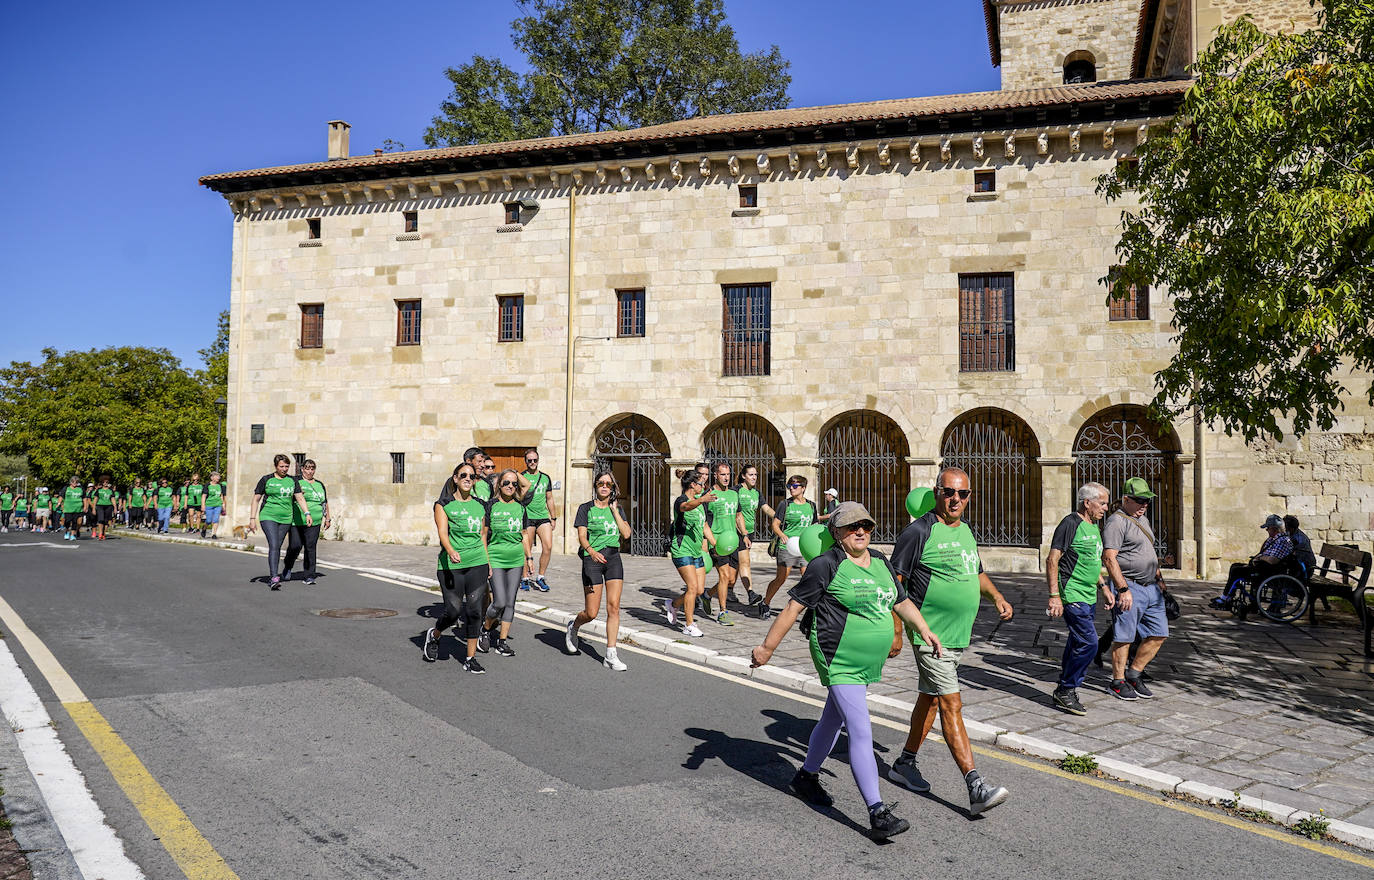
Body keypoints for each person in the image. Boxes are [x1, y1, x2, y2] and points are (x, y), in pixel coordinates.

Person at [751, 501, 944, 841]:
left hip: (866, 660)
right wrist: (767, 649)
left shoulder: (881, 561)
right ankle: (877, 811)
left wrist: (924, 629)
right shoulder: (826, 564)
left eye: (866, 526)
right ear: (836, 532)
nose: (860, 532)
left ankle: (806, 777)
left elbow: (900, 601)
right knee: (859, 728)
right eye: (852, 527)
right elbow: (793, 607)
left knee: (833, 718)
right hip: (836, 655)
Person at [887, 466, 1013, 816]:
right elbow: (894, 581)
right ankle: (975, 786)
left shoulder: (967, 532)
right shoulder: (919, 531)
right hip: (931, 635)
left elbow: (976, 572)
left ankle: (904, 764)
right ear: (937, 492)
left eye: (963, 494)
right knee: (951, 704)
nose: (956, 499)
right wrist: (898, 630)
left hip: (958, 636)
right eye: (949, 492)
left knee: (929, 699)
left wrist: (997, 597)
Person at [1102, 477, 1170, 701]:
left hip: (1151, 587)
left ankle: (1134, 673)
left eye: (1147, 501)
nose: (1144, 505)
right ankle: (1117, 681)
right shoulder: (1116, 522)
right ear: (1126, 499)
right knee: (1124, 636)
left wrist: (1160, 581)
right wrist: (1122, 590)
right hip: (1130, 585)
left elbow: (1147, 552)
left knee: (1159, 633)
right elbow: (1110, 559)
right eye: (1140, 500)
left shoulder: (1143, 519)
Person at [1047, 483, 1110, 716]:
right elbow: (1052, 560)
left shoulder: (1093, 526)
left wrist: (1104, 587)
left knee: (1077, 640)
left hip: (1089, 594)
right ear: (1087, 502)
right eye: (1101, 503)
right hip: (1071, 593)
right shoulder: (1070, 524)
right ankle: (1067, 689)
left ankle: (1064, 688)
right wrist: (1054, 596)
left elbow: (1092, 563)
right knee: (1090, 643)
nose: (1105, 508)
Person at [422, 463, 492, 673]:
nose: (468, 478)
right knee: (453, 611)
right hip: (450, 565)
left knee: (474, 610)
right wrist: (451, 550)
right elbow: (442, 532)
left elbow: (482, 536)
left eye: (471, 476)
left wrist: (487, 561)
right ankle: (434, 635)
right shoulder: (443, 504)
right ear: (455, 478)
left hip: (477, 562)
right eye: (463, 475)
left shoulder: (481, 505)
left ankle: (470, 658)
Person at [566, 470, 633, 670]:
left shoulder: (618, 509)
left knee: (614, 607)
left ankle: (611, 654)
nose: (604, 486)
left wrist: (614, 511)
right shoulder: (586, 509)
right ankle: (574, 626)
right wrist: (591, 551)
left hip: (613, 558)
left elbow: (627, 534)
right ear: (595, 486)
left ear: (613, 488)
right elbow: (582, 536)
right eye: (601, 483)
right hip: (592, 559)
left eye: (608, 484)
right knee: (592, 612)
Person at [246, 455, 311, 590]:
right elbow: (256, 499)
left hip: (286, 518)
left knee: (277, 546)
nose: (284, 469)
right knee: (274, 544)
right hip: (268, 516)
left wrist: (307, 513)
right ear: (276, 466)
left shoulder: (292, 480)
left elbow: (299, 498)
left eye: (287, 466)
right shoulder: (266, 479)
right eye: (281, 466)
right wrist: (252, 519)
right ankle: (274, 577)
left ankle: (274, 574)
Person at [479, 469, 525, 657]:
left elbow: (524, 535)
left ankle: (502, 641)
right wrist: (486, 560)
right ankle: (486, 628)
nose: (510, 487)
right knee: (499, 601)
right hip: (496, 557)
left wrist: (529, 559)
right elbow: (483, 534)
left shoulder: (521, 507)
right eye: (506, 483)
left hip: (516, 558)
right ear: (499, 485)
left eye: (514, 484)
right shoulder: (490, 505)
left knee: (511, 602)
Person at [665, 469, 716, 638]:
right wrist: (702, 499)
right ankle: (688, 624)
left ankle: (673, 604)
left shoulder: (700, 504)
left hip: (696, 552)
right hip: (681, 550)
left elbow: (703, 526)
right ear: (693, 485)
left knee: (699, 590)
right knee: (692, 587)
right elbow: (685, 507)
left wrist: (715, 543)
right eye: (702, 483)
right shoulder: (682, 500)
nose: (704, 486)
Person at [758, 475, 818, 617]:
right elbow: (775, 525)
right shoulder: (785, 504)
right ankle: (765, 603)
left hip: (804, 548)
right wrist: (782, 535)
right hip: (787, 547)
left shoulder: (811, 505)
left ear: (803, 488)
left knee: (807, 578)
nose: (791, 488)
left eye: (795, 486)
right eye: (789, 486)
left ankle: (807, 608)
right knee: (781, 578)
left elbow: (814, 525)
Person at [1212, 514, 1293, 607]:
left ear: (1274, 529)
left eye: (1268, 528)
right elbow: (1264, 551)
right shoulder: (1275, 539)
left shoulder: (1282, 541)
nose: (1266, 530)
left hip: (1269, 571)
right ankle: (1228, 596)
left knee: (1236, 571)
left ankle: (1225, 598)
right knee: (1235, 565)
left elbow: (1273, 560)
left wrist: (1260, 558)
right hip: (1264, 567)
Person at [703, 461, 745, 625]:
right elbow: (703, 521)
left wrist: (745, 534)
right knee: (724, 575)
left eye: (728, 474)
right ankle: (723, 612)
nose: (726, 478)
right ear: (715, 475)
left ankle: (707, 595)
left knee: (731, 579)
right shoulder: (709, 494)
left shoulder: (734, 494)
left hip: (733, 540)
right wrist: (706, 543)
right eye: (722, 474)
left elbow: (738, 515)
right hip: (717, 541)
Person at [283, 460, 330, 584]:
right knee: (295, 546)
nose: (310, 471)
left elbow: (324, 502)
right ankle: (288, 566)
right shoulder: (295, 481)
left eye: (312, 469)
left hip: (315, 521)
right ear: (302, 469)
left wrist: (327, 518)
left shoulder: (320, 484)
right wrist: (295, 495)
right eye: (307, 469)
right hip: (297, 521)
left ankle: (309, 575)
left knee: (310, 547)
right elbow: (287, 497)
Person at [518, 449, 557, 592]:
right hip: (527, 517)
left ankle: (541, 576)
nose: (532, 463)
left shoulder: (545, 477)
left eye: (535, 460)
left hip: (542, 517)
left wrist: (553, 517)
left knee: (548, 546)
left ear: (538, 460)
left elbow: (550, 498)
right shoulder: (521, 477)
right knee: (526, 549)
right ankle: (524, 578)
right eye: (529, 460)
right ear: (526, 461)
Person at [735, 465, 763, 607]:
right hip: (738, 532)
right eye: (751, 475)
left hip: (749, 532)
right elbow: (736, 514)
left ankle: (726, 590)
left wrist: (780, 517)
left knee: (735, 566)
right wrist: (744, 533)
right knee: (744, 562)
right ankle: (750, 593)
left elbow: (765, 507)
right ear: (743, 476)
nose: (754, 477)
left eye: (755, 475)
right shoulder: (736, 491)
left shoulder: (756, 492)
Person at [1285, 515, 1316, 580]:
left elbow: (1291, 553)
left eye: (1286, 527)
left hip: (1305, 568)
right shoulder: (1293, 534)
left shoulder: (1298, 539)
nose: (1284, 529)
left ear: (1291, 528)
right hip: (1299, 566)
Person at [92, 476, 117, 540]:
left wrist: (115, 508)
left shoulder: (110, 491)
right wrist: (93, 508)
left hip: (108, 506)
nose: (105, 483)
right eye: (104, 482)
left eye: (107, 482)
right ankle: (100, 533)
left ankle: (103, 534)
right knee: (101, 519)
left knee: (106, 521)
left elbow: (113, 499)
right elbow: (95, 499)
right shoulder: (99, 490)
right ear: (102, 483)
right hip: (100, 506)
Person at [60, 476, 85, 541]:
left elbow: (84, 498)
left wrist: (85, 506)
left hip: (77, 508)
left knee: (74, 521)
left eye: (76, 482)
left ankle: (73, 535)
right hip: (68, 508)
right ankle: (67, 531)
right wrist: (59, 502)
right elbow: (61, 496)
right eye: (73, 482)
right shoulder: (66, 488)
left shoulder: (80, 489)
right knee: (67, 521)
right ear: (70, 482)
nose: (75, 483)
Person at [204, 472, 226, 539]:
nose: (218, 478)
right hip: (209, 504)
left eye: (219, 477)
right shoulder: (207, 485)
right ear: (212, 478)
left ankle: (214, 534)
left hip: (218, 504)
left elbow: (221, 496)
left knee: (216, 520)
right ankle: (204, 528)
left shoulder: (220, 486)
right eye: (217, 477)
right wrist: (202, 505)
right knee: (208, 520)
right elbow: (204, 496)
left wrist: (223, 505)